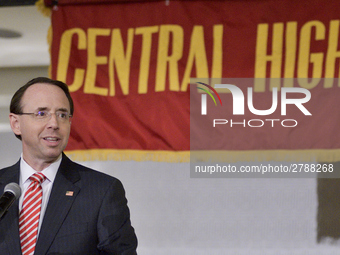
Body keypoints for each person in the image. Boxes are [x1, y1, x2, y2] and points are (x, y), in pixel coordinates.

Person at [0, 77, 138, 255]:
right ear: (15, 123)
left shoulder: (102, 192)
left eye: (62, 115)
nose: (54, 124)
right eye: (42, 113)